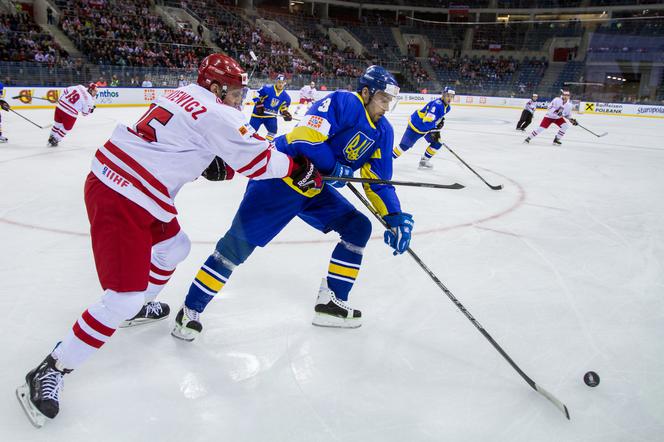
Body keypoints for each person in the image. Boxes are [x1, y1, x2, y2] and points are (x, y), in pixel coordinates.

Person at [16, 53, 322, 428]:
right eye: (235, 91)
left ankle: (142, 305)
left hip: (136, 187)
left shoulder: (182, 94)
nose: (240, 98)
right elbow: (259, 164)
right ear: (215, 86)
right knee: (121, 298)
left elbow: (186, 140)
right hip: (124, 194)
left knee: (175, 247)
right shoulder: (217, 112)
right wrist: (298, 169)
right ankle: (52, 368)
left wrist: (209, 159)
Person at [172, 65, 414, 341]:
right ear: (367, 92)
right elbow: (305, 138)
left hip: (312, 186)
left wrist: (393, 216)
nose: (386, 106)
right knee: (235, 247)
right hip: (281, 178)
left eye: (390, 101)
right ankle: (190, 311)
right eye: (383, 99)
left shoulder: (382, 132)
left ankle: (331, 304)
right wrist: (334, 166)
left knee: (358, 227)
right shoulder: (344, 102)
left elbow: (378, 180)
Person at [392, 86, 454, 170]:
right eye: (448, 95)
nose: (449, 98)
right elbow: (427, 121)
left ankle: (424, 161)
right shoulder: (437, 105)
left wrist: (439, 122)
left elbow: (435, 118)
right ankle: (387, 160)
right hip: (416, 125)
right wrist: (434, 129)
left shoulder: (448, 107)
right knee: (404, 146)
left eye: (451, 96)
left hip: (425, 128)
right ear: (443, 95)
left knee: (437, 143)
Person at [47, 83, 98, 147]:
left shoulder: (80, 86)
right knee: (66, 128)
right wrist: (90, 110)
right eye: (95, 91)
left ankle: (51, 137)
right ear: (90, 90)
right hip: (70, 114)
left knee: (57, 124)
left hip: (59, 107)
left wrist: (61, 99)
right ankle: (55, 140)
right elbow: (84, 113)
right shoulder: (89, 99)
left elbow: (65, 90)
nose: (95, 93)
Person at [249, 74, 292, 141]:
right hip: (257, 115)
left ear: (285, 83)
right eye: (279, 82)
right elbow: (256, 94)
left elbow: (283, 108)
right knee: (250, 132)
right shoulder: (267, 88)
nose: (280, 84)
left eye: (282, 83)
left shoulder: (286, 97)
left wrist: (285, 113)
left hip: (270, 117)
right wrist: (258, 104)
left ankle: (266, 144)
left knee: (273, 131)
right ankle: (251, 144)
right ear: (276, 82)